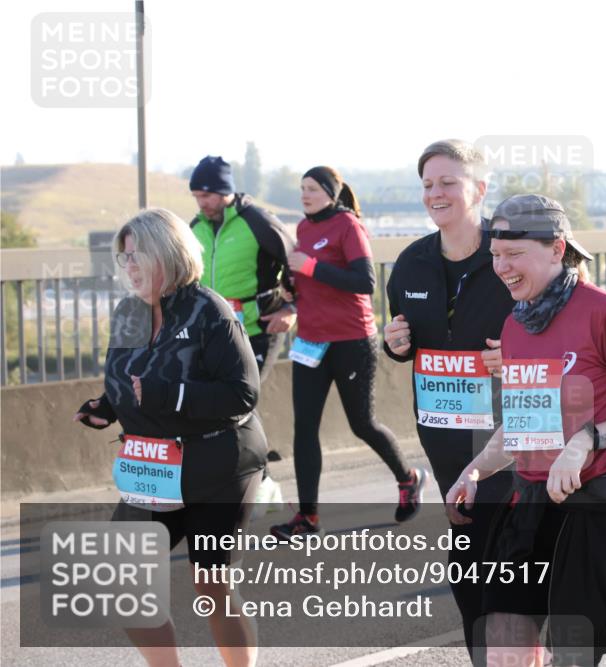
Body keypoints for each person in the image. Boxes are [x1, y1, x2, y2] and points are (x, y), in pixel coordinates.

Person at [446, 194, 606, 666]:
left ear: (556, 248)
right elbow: (526, 423)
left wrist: (585, 440)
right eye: (495, 255)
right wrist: (476, 469)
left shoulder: (604, 311)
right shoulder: (515, 325)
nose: (501, 266)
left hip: (597, 500)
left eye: (514, 254)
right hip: (531, 501)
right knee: (503, 647)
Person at [73, 208, 267, 667]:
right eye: (124, 259)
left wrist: (171, 395)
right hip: (155, 467)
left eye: (138, 255)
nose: (130, 267)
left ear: (169, 253)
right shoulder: (128, 313)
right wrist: (109, 406)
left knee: (211, 584)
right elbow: (132, 379)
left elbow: (243, 393)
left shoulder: (210, 310)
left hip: (219, 463)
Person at [382, 139, 515, 661]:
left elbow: (559, 334)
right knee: (472, 556)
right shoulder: (410, 264)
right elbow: (404, 339)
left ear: (480, 190)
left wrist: (518, 356)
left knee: (495, 555)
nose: (435, 194)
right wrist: (393, 344)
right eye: (428, 185)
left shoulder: (509, 256)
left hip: (509, 430)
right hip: (441, 430)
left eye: (448, 183)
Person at [270, 166, 426, 538]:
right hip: (310, 341)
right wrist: (292, 289)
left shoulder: (347, 226)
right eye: (301, 189)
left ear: (330, 192)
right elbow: (309, 281)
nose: (304, 195)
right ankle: (307, 517)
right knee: (304, 428)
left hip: (352, 341)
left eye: (311, 189)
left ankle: (408, 478)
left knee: (362, 424)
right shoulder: (304, 229)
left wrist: (311, 266)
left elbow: (363, 281)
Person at [189, 155, 297, 385]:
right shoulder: (195, 227)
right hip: (214, 332)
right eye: (196, 196)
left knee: (242, 399)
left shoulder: (259, 221)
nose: (201, 203)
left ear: (224, 190)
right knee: (220, 405)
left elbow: (297, 263)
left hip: (258, 329)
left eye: (206, 195)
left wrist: (291, 309)